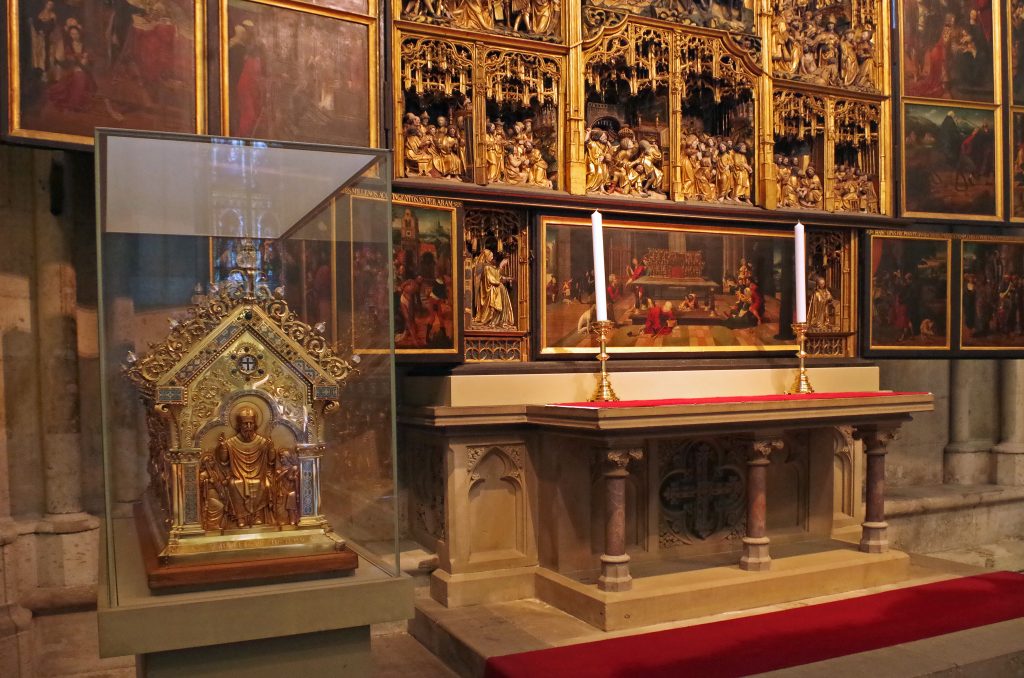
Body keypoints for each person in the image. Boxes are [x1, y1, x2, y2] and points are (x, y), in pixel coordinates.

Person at [214, 407, 278, 528]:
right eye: (245, 424)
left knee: (265, 484)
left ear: (255, 424)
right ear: (239, 425)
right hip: (238, 475)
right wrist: (223, 447)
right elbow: (224, 460)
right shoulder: (231, 442)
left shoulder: (262, 441)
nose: (248, 426)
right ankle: (240, 517)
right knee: (233, 485)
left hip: (259, 475)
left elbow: (271, 461)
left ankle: (258, 515)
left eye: (251, 423)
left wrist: (271, 448)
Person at [474, 249, 515, 327]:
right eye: (490, 256)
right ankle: (494, 320)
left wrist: (506, 278)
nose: (492, 258)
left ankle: (501, 320)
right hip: (490, 291)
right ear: (486, 257)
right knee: (498, 294)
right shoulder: (486, 268)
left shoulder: (490, 266)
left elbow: (497, 276)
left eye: (492, 256)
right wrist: (501, 266)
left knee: (502, 290)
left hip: (495, 288)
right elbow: (492, 280)